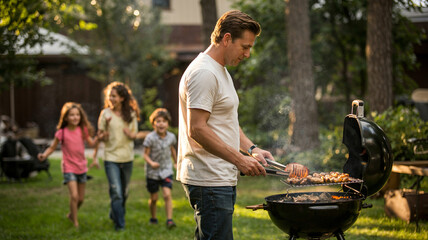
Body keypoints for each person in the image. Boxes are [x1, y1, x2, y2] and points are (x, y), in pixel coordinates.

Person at [177, 10, 306, 239]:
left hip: (219, 177)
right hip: (209, 180)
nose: (247, 54)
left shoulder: (220, 71)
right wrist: (239, 160)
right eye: (244, 47)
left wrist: (252, 149)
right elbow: (197, 128)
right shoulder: (204, 73)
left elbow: (225, 122)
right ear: (226, 39)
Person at [38, 102, 99, 228]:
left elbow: (92, 144)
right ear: (66, 117)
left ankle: (71, 214)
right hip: (68, 167)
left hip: (81, 166)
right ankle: (75, 223)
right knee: (74, 196)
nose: (75, 117)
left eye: (77, 115)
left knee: (81, 199)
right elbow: (52, 147)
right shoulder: (62, 132)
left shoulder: (83, 130)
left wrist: (99, 138)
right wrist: (44, 155)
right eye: (72, 115)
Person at [97, 81, 140, 231]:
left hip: (127, 157)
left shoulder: (131, 114)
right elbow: (100, 136)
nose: (111, 99)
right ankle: (119, 225)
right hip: (111, 158)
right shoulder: (105, 114)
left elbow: (135, 134)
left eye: (114, 96)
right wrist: (104, 134)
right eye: (110, 96)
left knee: (124, 193)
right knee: (116, 192)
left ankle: (114, 212)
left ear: (122, 98)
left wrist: (131, 134)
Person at [125, 108, 177, 229]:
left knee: (167, 194)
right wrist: (151, 163)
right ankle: (153, 218)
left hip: (166, 170)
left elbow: (172, 150)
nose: (161, 124)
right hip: (152, 172)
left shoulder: (171, 137)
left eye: (164, 121)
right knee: (154, 198)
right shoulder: (150, 138)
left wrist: (175, 162)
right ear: (153, 124)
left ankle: (169, 220)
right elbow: (145, 155)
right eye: (158, 121)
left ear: (168, 123)